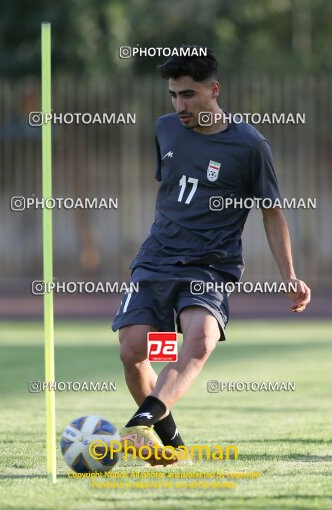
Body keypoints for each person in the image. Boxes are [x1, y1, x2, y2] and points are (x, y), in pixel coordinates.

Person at [112, 45, 311, 466]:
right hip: (157, 260)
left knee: (200, 339)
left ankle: (140, 424)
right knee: (134, 351)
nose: (179, 105)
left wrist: (289, 274)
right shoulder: (165, 129)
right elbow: (170, 192)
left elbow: (272, 212)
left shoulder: (251, 145)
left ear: (214, 90)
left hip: (211, 265)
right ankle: (172, 443)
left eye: (188, 94)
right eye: (173, 95)